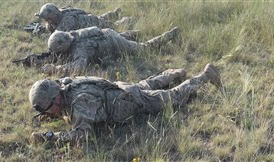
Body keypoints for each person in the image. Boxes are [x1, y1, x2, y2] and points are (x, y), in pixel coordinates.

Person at [29, 63, 222, 144]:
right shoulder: (66, 83)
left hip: (130, 101)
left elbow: (83, 135)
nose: (49, 114)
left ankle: (205, 76)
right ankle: (174, 73)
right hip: (119, 88)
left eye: (48, 110)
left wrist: (50, 136)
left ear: (56, 98)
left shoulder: (80, 102)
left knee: (174, 97)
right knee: (145, 85)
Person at [43, 26, 181, 73]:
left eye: (59, 52)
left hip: (112, 42)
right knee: (126, 38)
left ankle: (171, 34)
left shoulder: (79, 48)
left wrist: (55, 69)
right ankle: (133, 33)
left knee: (143, 49)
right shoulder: (71, 35)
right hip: (106, 34)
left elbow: (79, 66)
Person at [34, 3, 137, 40]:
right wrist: (43, 29)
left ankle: (128, 20)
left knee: (113, 25)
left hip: (94, 22)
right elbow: (50, 27)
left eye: (48, 19)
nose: (47, 21)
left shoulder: (66, 21)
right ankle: (115, 12)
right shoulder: (56, 17)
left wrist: (42, 34)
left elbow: (56, 37)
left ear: (54, 16)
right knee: (103, 17)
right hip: (88, 19)